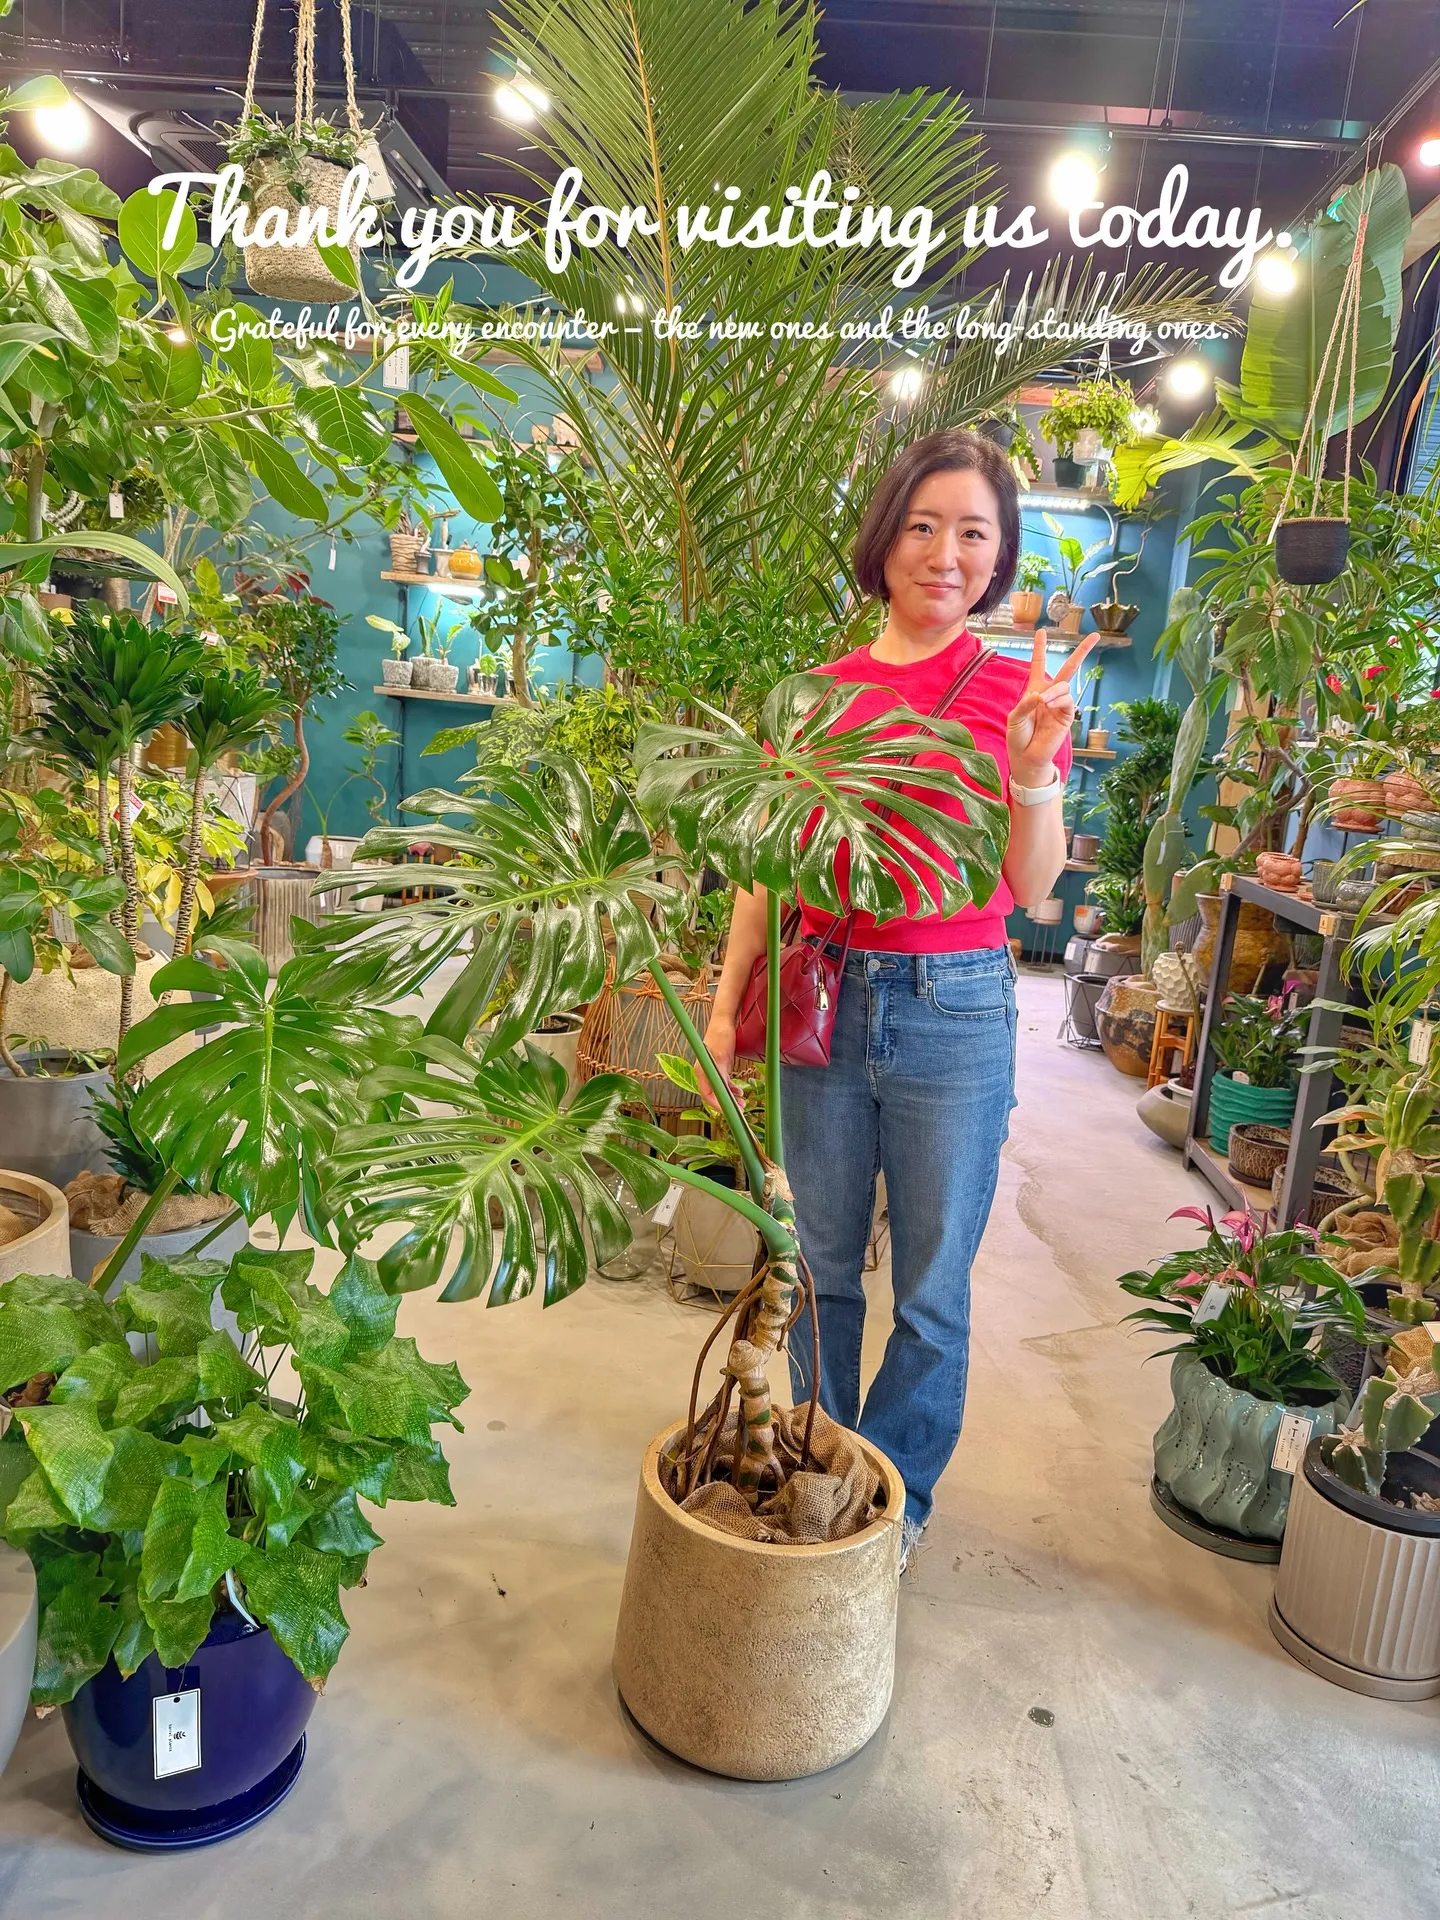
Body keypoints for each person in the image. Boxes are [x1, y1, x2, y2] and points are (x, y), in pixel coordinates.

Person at [703, 426, 1091, 1544]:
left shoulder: (1018, 696)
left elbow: (1030, 885)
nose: (946, 552)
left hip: (954, 1007)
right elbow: (765, 870)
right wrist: (728, 1004)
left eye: (975, 532)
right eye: (923, 526)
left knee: (931, 1287)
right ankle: (816, 1473)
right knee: (818, 1266)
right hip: (819, 996)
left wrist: (1028, 771)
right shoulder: (815, 696)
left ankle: (893, 1508)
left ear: (1001, 555)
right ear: (883, 544)